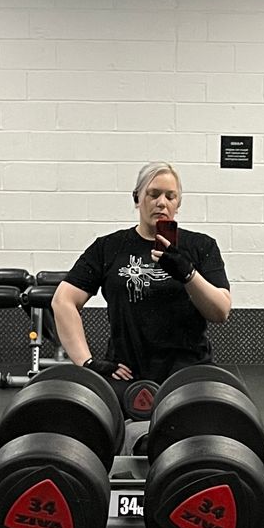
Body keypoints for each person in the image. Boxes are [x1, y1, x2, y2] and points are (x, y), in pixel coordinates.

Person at [51, 162, 231, 387]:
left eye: (170, 196)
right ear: (137, 199)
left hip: (188, 373)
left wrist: (188, 274)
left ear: (178, 203)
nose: (161, 203)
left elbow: (221, 311)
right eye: (153, 194)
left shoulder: (201, 246)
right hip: (125, 374)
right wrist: (86, 363)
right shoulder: (109, 247)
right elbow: (63, 301)